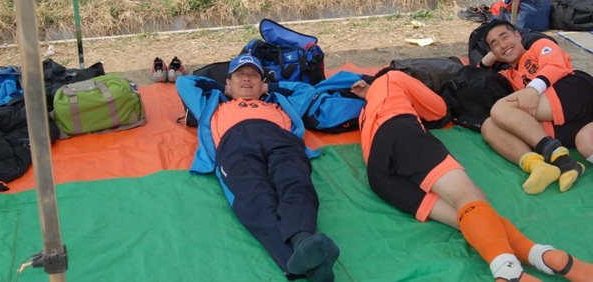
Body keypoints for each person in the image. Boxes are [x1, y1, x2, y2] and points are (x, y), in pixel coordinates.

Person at [350, 69, 593, 282]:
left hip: (378, 174)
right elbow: (438, 109)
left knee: (466, 217)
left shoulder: (365, 112)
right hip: (400, 133)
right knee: (467, 195)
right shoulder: (392, 77)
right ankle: (508, 272)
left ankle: (541, 255)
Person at [176, 54, 339, 282]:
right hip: (234, 142)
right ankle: (303, 262)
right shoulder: (214, 104)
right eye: (240, 75)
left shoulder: (277, 103)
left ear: (262, 83)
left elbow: (305, 89)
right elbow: (184, 82)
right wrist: (224, 89)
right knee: (253, 196)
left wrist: (268, 88)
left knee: (295, 181)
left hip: (279, 138)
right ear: (229, 82)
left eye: (253, 75)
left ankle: (302, 239)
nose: (246, 79)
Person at [478, 20, 592, 194]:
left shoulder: (539, 45)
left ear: (518, 36)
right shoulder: (507, 75)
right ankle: (539, 166)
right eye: (495, 44)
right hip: (566, 126)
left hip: (576, 96)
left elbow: (555, 65)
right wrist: (490, 58)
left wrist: (533, 90)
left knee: (501, 108)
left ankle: (559, 158)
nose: (503, 45)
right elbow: (476, 74)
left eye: (505, 37)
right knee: (489, 125)